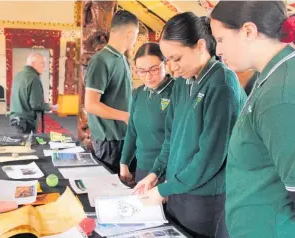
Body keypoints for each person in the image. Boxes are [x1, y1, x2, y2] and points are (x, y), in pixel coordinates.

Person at [134, 12, 246, 237]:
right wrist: (155, 173)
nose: (173, 68)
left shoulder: (221, 84)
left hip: (205, 198)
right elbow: (170, 137)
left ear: (200, 46)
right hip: (179, 187)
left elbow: (209, 158)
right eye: (168, 61)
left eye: (177, 58)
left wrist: (165, 188)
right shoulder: (183, 83)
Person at [210, 1, 295, 237]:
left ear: (248, 31)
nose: (217, 50)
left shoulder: (282, 94)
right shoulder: (271, 75)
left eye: (221, 39)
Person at [84, 10, 139, 173]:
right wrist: (125, 116)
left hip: (124, 136)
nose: (135, 40)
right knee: (111, 190)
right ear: (130, 33)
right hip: (109, 141)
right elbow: (91, 105)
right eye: (136, 35)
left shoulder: (122, 58)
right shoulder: (101, 60)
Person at [119, 43, 174, 183]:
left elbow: (176, 140)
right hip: (142, 167)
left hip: (167, 171)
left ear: (165, 64)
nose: (148, 76)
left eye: (154, 69)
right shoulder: (138, 93)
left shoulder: (176, 92)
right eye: (142, 71)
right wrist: (124, 162)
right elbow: (132, 130)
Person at [9, 52, 57, 134]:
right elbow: (36, 105)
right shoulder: (34, 78)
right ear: (33, 63)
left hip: (15, 119)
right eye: (42, 63)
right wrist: (50, 106)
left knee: (20, 144)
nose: (44, 67)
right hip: (27, 122)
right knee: (29, 145)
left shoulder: (18, 75)